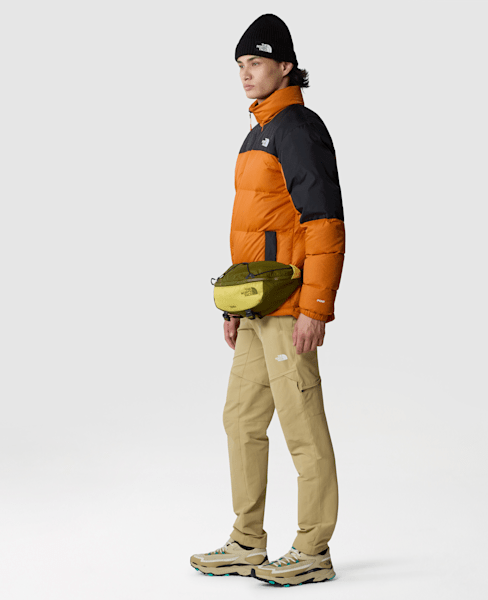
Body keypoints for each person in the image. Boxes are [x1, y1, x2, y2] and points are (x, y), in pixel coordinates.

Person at [190, 14, 345, 587]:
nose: (245, 74)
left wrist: (316, 307)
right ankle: (246, 541)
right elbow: (257, 233)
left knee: (302, 427)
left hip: (290, 308)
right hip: (258, 308)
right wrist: (235, 306)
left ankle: (313, 548)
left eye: (255, 62)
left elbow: (324, 222)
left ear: (285, 66)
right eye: (240, 65)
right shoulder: (258, 131)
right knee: (240, 420)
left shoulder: (297, 127)